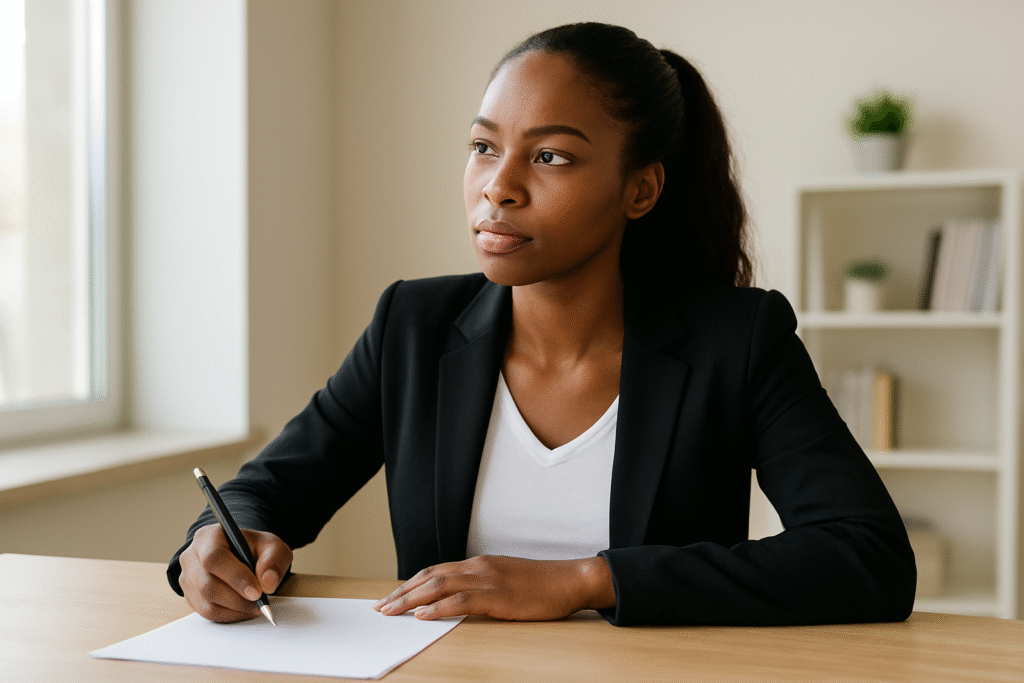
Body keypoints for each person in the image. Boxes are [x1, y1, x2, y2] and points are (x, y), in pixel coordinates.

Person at [169, 22, 916, 627]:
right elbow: (266, 492)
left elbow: (866, 556)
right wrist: (218, 545)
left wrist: (585, 580)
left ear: (640, 189)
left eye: (551, 155)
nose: (499, 186)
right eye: (484, 147)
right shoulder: (415, 325)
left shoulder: (738, 339)